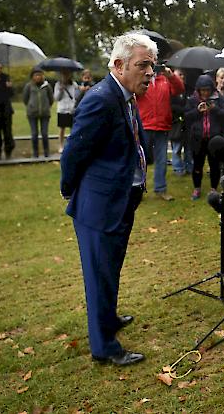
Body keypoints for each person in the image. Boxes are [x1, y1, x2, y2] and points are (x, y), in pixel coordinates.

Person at [60, 32, 157, 366]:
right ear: (119, 65)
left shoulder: (125, 96)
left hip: (121, 200)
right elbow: (74, 152)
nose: (150, 73)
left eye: (152, 66)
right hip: (99, 206)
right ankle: (104, 347)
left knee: (110, 269)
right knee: (99, 276)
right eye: (143, 65)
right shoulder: (101, 98)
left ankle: (109, 318)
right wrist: (69, 189)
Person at [136, 64, 184, 201]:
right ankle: (137, 189)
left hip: (162, 126)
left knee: (162, 160)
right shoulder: (142, 78)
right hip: (144, 125)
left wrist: (171, 75)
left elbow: (180, 89)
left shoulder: (165, 80)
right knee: (140, 160)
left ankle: (160, 189)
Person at [185, 74, 224, 200]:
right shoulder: (193, 100)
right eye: (202, 90)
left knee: (214, 164)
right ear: (198, 90)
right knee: (197, 165)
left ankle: (213, 189)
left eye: (207, 90)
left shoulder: (218, 98)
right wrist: (197, 111)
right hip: (197, 138)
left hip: (213, 138)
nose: (205, 93)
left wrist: (214, 109)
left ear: (211, 89)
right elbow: (187, 116)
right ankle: (197, 188)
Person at [23, 67, 54, 158]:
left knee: (44, 133)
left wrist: (46, 106)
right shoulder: (29, 86)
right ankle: (35, 152)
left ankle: (46, 151)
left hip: (45, 113)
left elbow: (51, 99)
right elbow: (25, 99)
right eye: (36, 75)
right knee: (34, 134)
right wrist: (31, 106)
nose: (38, 77)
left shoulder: (47, 86)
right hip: (32, 113)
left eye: (40, 75)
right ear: (32, 76)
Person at [170, 69, 193, 176]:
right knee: (176, 148)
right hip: (176, 123)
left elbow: (191, 104)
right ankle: (178, 169)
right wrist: (183, 110)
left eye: (183, 74)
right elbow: (171, 106)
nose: (181, 77)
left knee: (189, 147)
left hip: (188, 122)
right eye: (179, 74)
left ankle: (189, 167)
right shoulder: (170, 90)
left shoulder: (189, 89)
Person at [54, 70, 80, 154]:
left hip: (72, 109)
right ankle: (61, 145)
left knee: (73, 129)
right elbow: (56, 98)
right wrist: (61, 90)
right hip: (62, 109)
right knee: (62, 129)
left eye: (67, 74)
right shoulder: (58, 84)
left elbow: (76, 96)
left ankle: (72, 145)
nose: (65, 76)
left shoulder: (74, 84)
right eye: (64, 75)